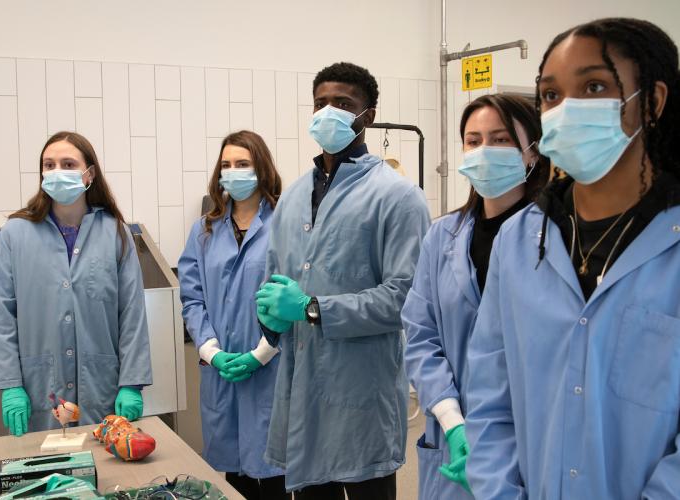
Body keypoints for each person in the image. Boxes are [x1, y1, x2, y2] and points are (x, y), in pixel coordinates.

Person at [465, 18, 680, 498]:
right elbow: (488, 396)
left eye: (595, 86)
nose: (566, 109)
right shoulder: (520, 241)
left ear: (653, 102)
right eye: (551, 95)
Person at [254, 62, 431, 499]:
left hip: (361, 392)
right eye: (320, 103)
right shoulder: (294, 196)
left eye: (342, 104)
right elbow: (275, 280)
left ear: (367, 116)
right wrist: (271, 319)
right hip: (303, 388)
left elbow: (404, 298)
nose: (327, 112)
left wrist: (312, 309)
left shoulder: (397, 196)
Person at [402, 93, 549, 499]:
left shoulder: (552, 238)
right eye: (473, 140)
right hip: (449, 429)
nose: (484, 151)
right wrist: (452, 418)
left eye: (501, 140)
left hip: (524, 432)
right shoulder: (443, 235)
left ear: (532, 151)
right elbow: (419, 333)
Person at [0, 131, 152, 436]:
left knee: (106, 476)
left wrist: (131, 382)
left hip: (102, 387)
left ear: (89, 173)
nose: (56, 172)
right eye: (48, 165)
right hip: (39, 387)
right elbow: (2, 316)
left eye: (67, 163)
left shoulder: (114, 232)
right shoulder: (15, 234)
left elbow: (132, 314)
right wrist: (10, 384)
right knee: (48, 473)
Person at [178, 130, 290, 500]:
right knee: (233, 478)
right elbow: (192, 298)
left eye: (243, 164)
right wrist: (211, 351)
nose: (233, 172)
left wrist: (261, 353)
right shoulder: (205, 229)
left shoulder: (285, 225)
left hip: (272, 368)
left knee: (277, 474)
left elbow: (292, 296)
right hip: (221, 370)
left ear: (261, 168)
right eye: (226, 165)